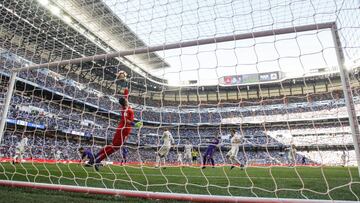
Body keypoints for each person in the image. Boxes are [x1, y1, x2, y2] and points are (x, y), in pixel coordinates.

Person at [93, 87, 140, 171]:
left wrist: (126, 87)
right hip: (123, 131)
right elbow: (126, 120)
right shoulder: (126, 110)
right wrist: (135, 124)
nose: (127, 100)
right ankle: (98, 160)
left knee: (113, 146)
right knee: (115, 148)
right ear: (125, 102)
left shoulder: (125, 106)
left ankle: (96, 155)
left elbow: (126, 96)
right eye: (126, 100)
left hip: (121, 129)